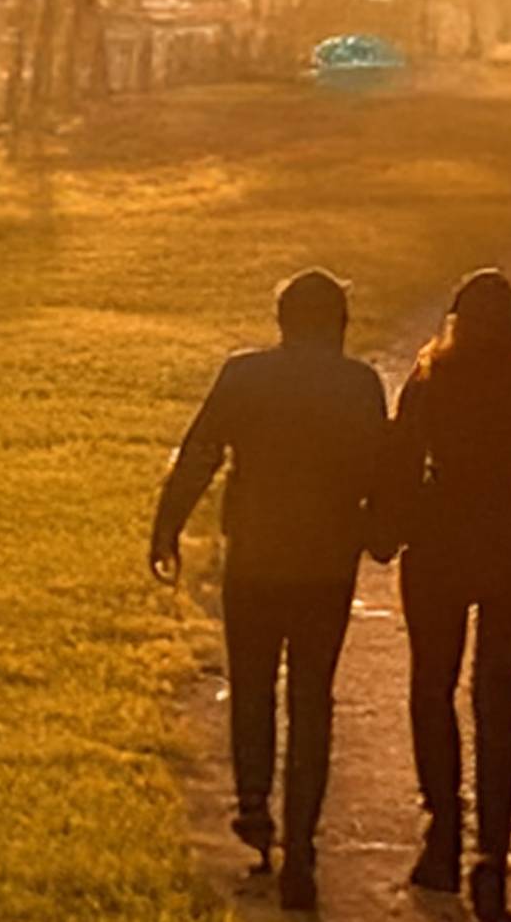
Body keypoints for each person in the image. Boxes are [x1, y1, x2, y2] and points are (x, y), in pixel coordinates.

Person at [147, 270, 395, 908]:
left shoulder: (244, 375)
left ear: (281, 321)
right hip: (326, 567)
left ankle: (255, 808)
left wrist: (167, 527)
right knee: (312, 698)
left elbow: (200, 452)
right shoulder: (358, 385)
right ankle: (303, 844)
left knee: (252, 686)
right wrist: (382, 533)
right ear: (337, 325)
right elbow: (381, 471)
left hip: (255, 559)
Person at [390, 269, 511, 920]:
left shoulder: (428, 381)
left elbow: (398, 463)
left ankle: (442, 827)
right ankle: (491, 859)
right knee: (495, 705)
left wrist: (386, 529)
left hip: (439, 545)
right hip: (510, 549)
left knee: (431, 688)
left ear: (456, 320)